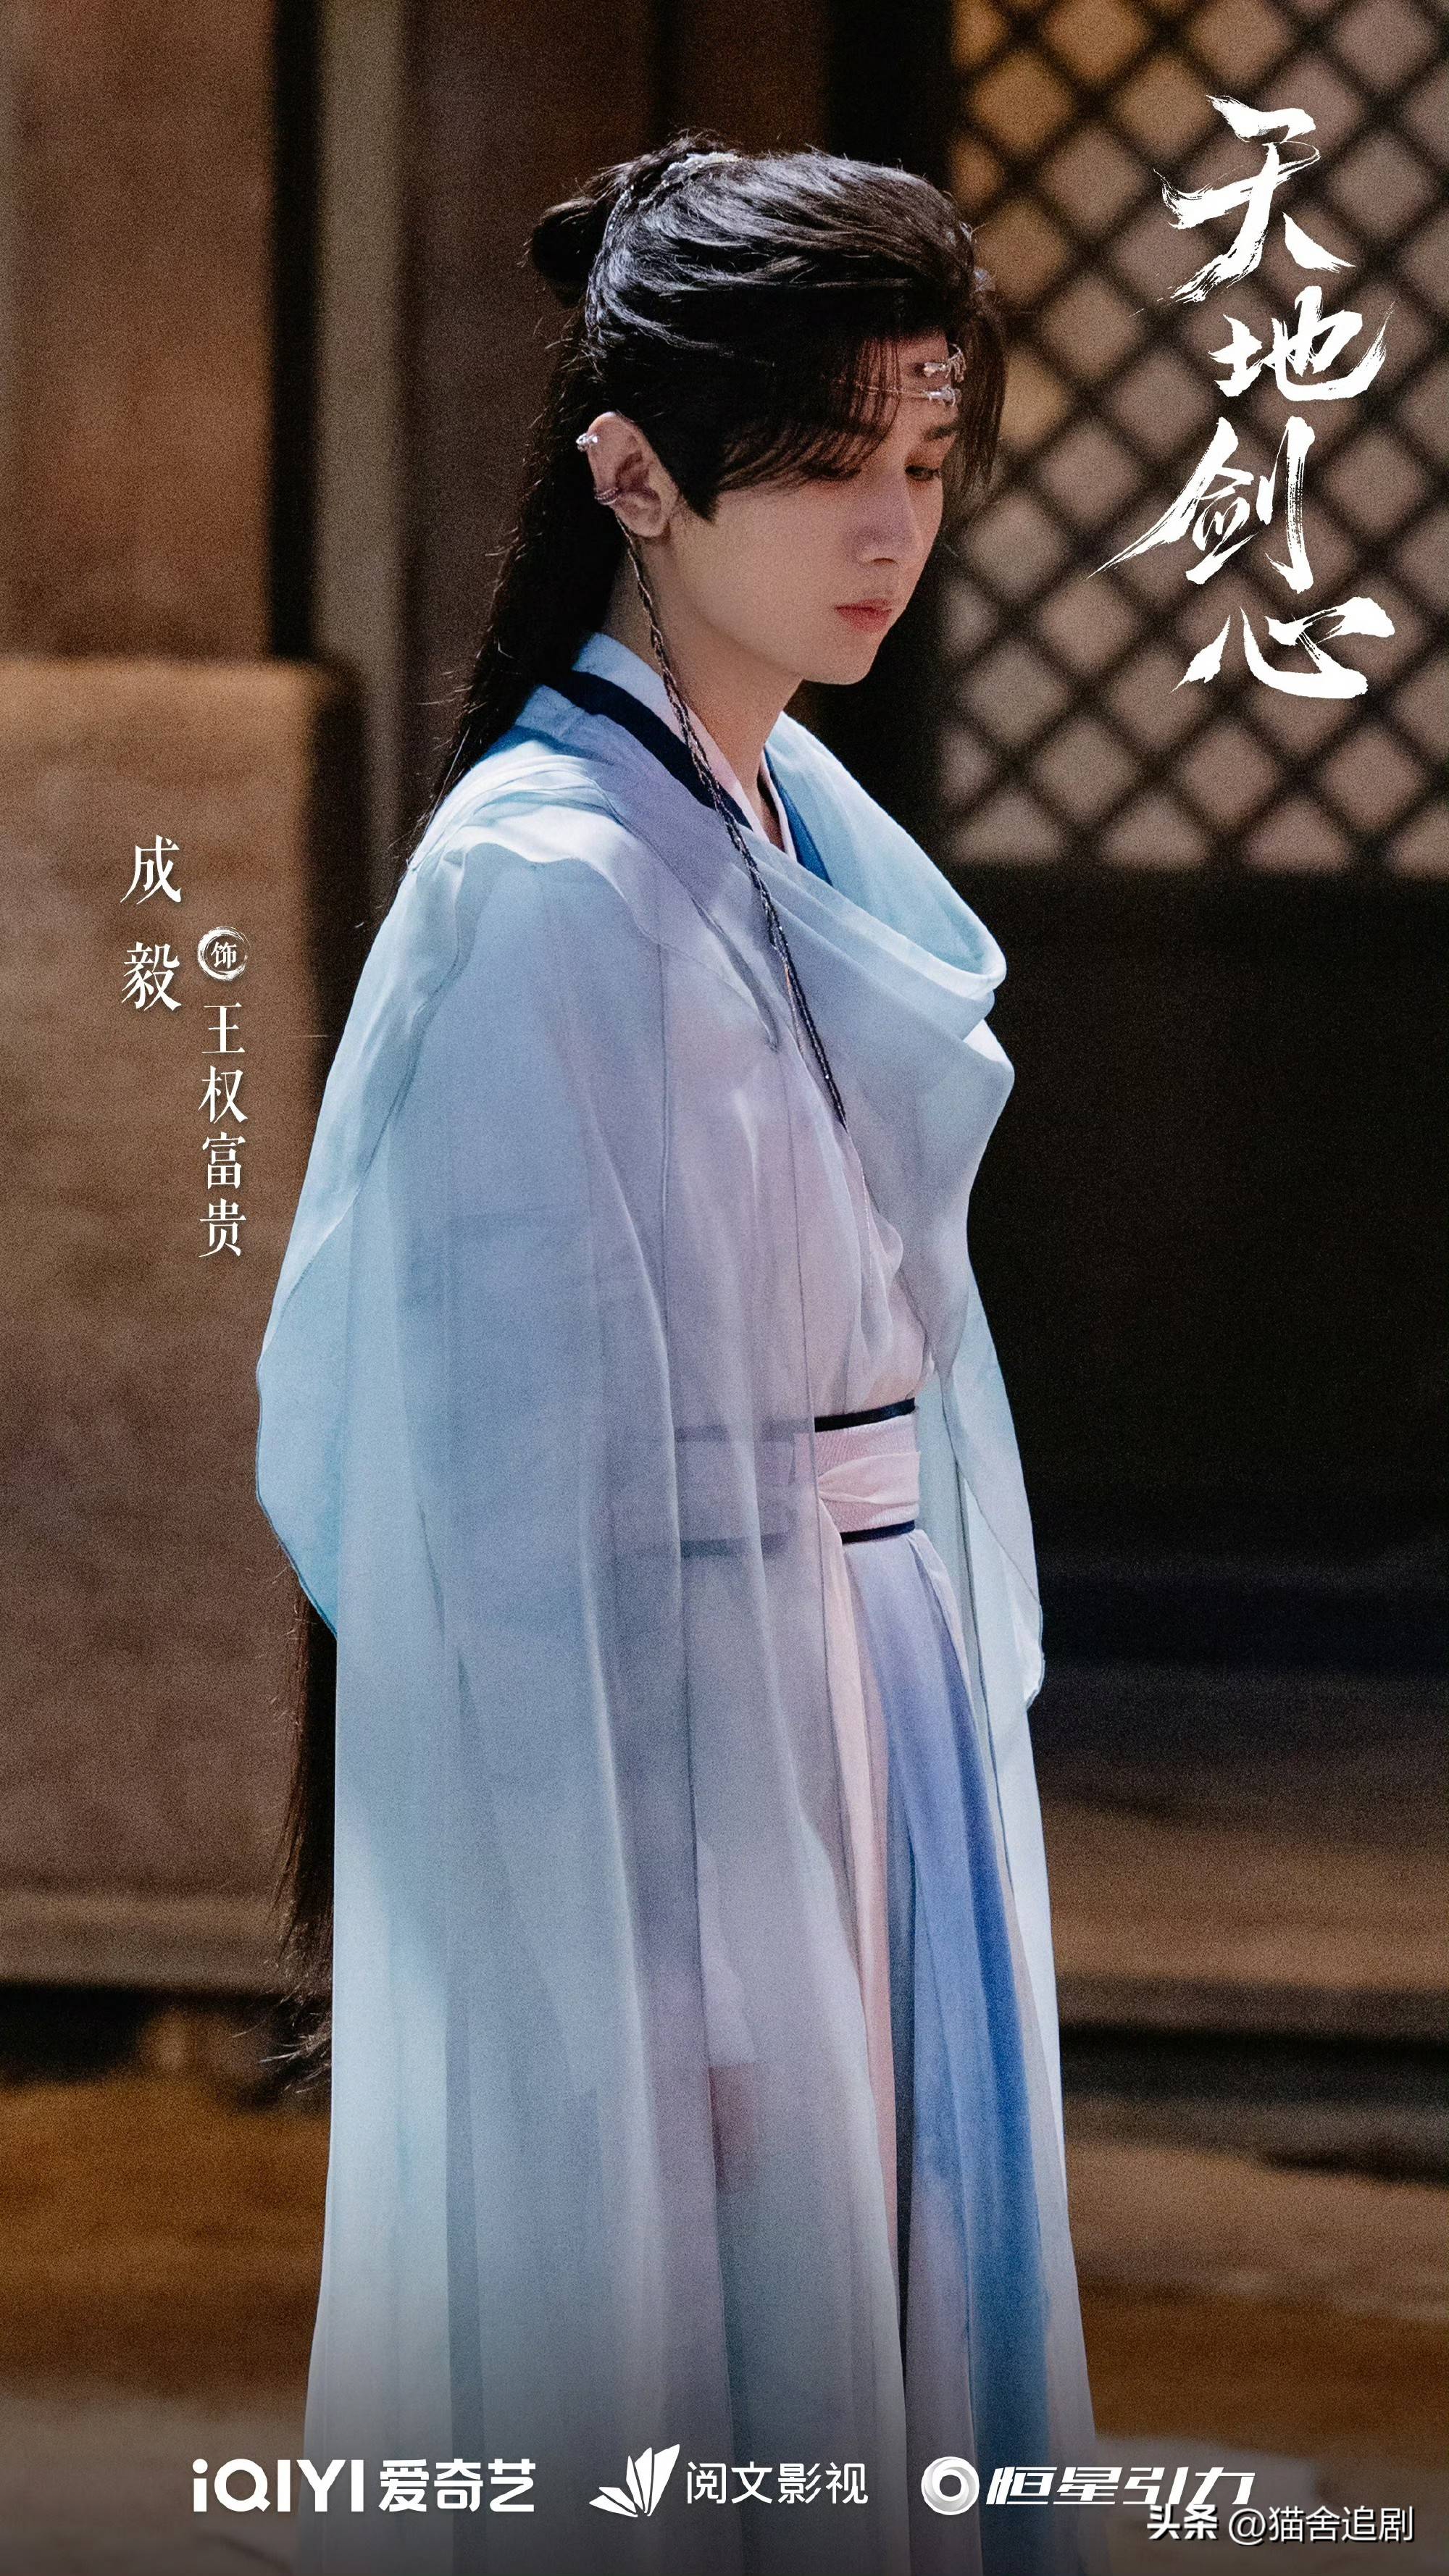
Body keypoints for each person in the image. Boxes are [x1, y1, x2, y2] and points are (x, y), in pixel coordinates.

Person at [256, 136, 1107, 2576]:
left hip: (870, 1681)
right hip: (704, 1747)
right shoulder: (548, 888)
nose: (892, 525)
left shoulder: (780, 815)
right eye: (828, 460)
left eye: (925, 454)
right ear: (636, 474)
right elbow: (506, 1518)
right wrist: (661, 1967)